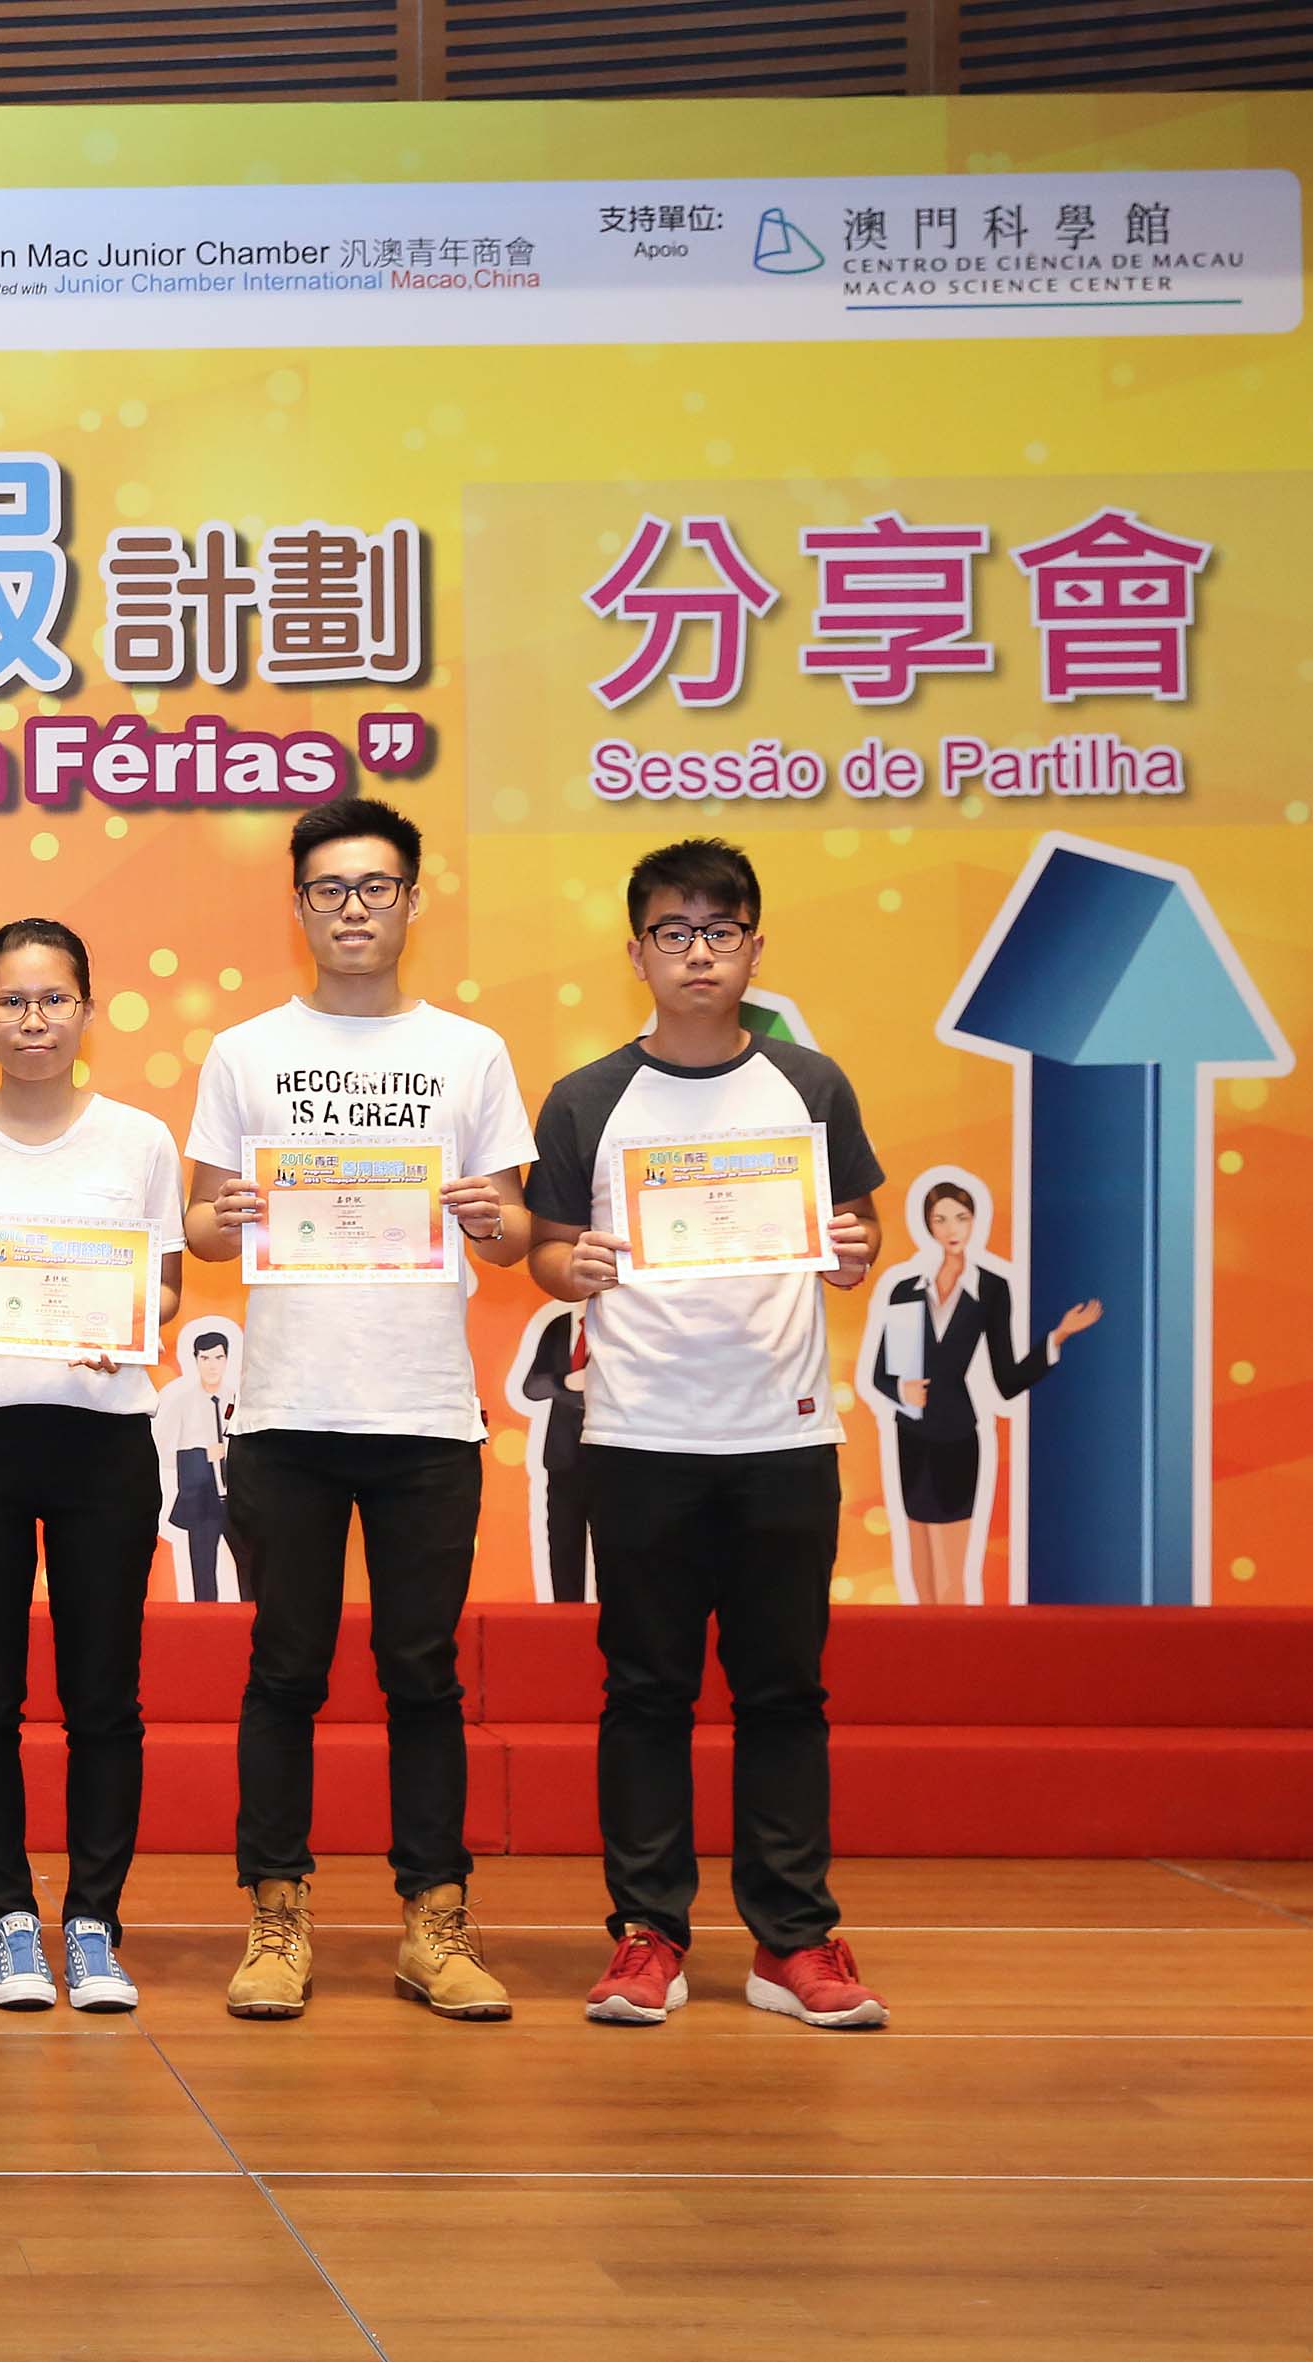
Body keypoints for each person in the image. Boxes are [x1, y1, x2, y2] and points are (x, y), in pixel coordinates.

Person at [527, 835, 893, 2032]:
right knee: (646, 1691)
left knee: (784, 1692)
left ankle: (794, 1940)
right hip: (638, 1435)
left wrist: (855, 1250)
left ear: (754, 947)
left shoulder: (810, 1084)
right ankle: (648, 1934)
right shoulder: (587, 1097)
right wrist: (568, 1265)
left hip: (783, 1434)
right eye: (674, 932)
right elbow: (545, 1251)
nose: (699, 953)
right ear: (636, 952)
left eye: (721, 931)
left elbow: (855, 1235)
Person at [183, 794, 532, 2024]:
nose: (353, 909)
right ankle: (276, 1917)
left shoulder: (470, 1052)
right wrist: (223, 1216)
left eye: (376, 886)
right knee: (284, 1668)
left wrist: (496, 1220)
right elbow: (200, 1225)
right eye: (329, 889)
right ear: (298, 906)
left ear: (412, 900)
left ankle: (434, 1922)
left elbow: (515, 1232)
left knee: (422, 1674)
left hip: (427, 1413)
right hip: (287, 1411)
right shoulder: (246, 1052)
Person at [0, 918, 182, 2014]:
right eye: (12, 1001)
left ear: (86, 1010)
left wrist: (132, 1317)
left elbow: (165, 1290)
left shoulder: (139, 1140)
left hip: (104, 1437)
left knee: (104, 1696)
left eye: (54, 999)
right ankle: (11, 1923)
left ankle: (95, 1923)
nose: (33, 1020)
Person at [861, 1174, 1100, 1607]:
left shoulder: (991, 1288)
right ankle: (924, 1645)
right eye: (940, 1219)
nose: (951, 1228)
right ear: (928, 1225)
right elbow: (881, 1373)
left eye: (961, 1217)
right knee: (920, 1566)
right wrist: (901, 1390)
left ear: (974, 1221)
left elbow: (1006, 1380)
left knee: (950, 1574)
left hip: (956, 1438)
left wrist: (1057, 1338)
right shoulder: (904, 1290)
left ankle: (950, 1648)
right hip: (910, 1437)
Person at [510, 1304, 597, 1604]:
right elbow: (532, 1386)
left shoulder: (623, 1325)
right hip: (562, 1458)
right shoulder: (558, 1325)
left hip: (610, 1456)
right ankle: (566, 1621)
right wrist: (566, 1383)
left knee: (615, 1552)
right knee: (563, 1548)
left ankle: (615, 1624)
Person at [155, 1325, 242, 1604]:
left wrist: (228, 1451)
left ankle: (251, 1617)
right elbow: (164, 1449)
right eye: (205, 1358)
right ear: (195, 1360)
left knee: (249, 1565)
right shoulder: (182, 1403)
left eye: (218, 1357)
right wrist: (203, 1455)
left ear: (227, 1359)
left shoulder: (238, 1399)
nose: (212, 1365)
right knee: (203, 1570)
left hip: (240, 1496)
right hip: (202, 1499)